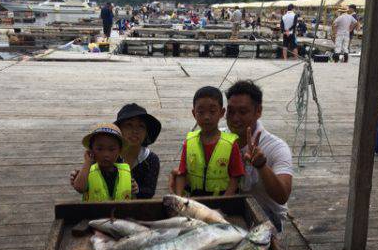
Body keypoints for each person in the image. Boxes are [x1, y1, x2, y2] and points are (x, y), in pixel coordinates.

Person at [169, 80, 293, 230]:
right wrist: (182, 177)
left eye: (243, 112)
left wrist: (261, 166)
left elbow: (282, 197)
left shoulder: (276, 147)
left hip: (267, 215)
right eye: (231, 112)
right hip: (227, 209)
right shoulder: (217, 137)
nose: (235, 118)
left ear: (258, 111)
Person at [70, 104, 161, 199]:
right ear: (119, 129)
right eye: (129, 125)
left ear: (146, 132)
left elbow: (149, 191)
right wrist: (80, 175)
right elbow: (82, 185)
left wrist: (136, 190)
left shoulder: (151, 159)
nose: (135, 131)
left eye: (141, 126)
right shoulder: (101, 156)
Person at [174, 86, 245, 197]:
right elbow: (182, 173)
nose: (206, 117)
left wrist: (225, 200)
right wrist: (178, 197)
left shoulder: (230, 144)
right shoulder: (189, 142)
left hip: (221, 199)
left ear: (221, 112)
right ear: (194, 113)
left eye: (212, 111)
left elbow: (235, 177)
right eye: (201, 112)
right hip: (195, 199)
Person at [73, 123, 132, 202]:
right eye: (99, 149)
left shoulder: (125, 171)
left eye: (111, 149)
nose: (106, 154)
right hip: (95, 213)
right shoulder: (87, 172)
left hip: (121, 213)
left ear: (119, 151)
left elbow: (132, 193)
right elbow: (79, 188)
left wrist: (135, 188)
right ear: (91, 150)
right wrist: (88, 162)